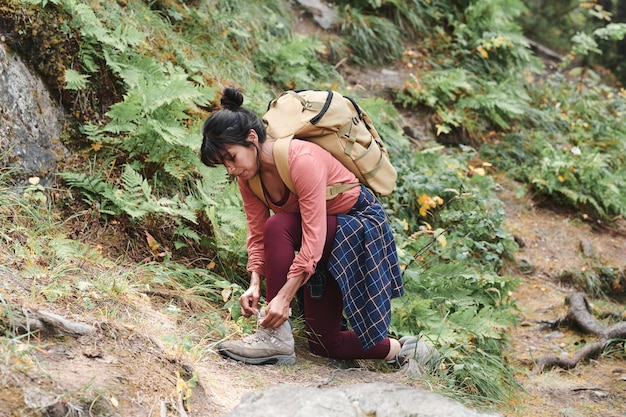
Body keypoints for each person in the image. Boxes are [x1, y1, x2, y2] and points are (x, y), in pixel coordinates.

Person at [200, 86, 428, 366]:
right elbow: (256, 234)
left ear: (251, 138)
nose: (230, 170)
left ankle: (273, 335)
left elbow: (311, 238)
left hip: (357, 223)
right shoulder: (249, 177)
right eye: (222, 164)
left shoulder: (301, 159)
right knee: (324, 343)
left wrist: (283, 298)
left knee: (279, 224)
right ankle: (405, 350)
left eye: (231, 158)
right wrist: (254, 284)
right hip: (323, 235)